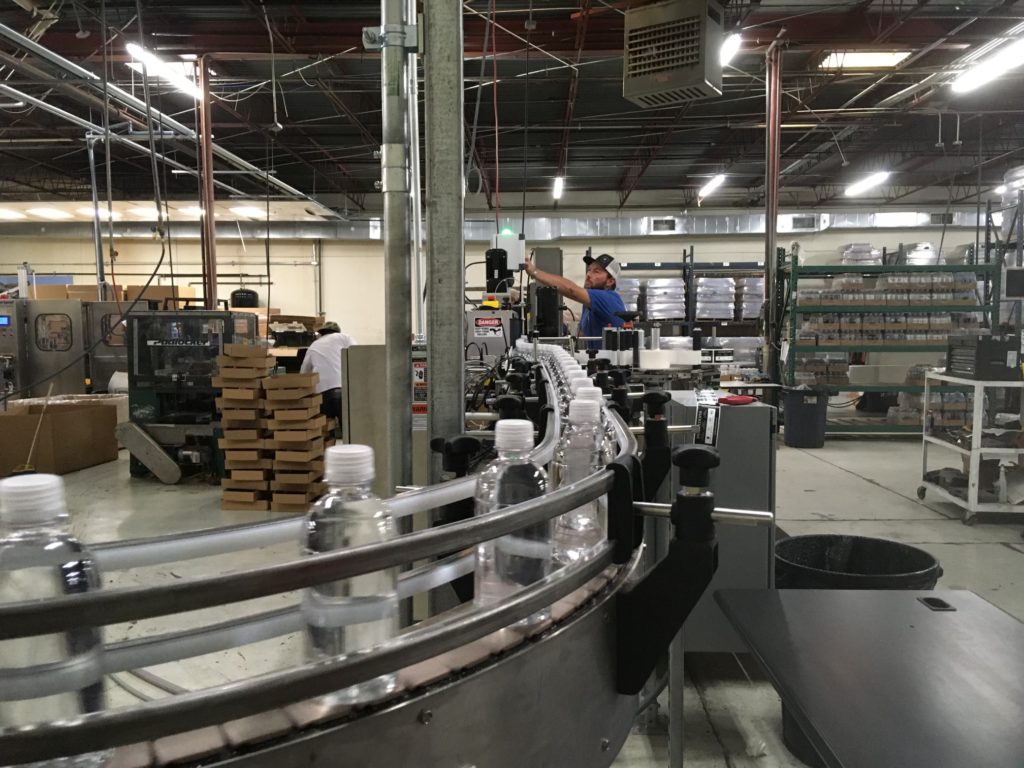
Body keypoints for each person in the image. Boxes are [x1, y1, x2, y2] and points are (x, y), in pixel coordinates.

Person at [524, 252, 625, 348]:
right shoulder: (588, 303)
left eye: (596, 271)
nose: (589, 274)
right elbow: (582, 335)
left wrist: (534, 271)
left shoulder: (609, 298)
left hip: (611, 362)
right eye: (589, 270)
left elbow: (572, 290)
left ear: (610, 281)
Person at [300, 321, 355, 427]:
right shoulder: (344, 337)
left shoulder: (314, 345)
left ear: (322, 333)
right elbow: (358, 352)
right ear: (337, 331)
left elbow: (304, 372)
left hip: (322, 391)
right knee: (349, 429)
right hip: (343, 388)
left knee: (326, 429)